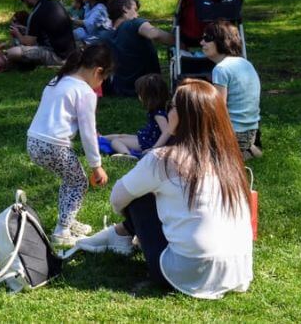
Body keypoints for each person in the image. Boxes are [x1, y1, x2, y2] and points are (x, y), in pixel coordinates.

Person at [75, 79, 253, 299]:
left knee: (138, 195)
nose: (169, 112)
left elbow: (118, 198)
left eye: (172, 106)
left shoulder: (164, 160)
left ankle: (120, 234)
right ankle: (120, 233)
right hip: (237, 271)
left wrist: (139, 213)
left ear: (185, 115)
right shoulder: (229, 160)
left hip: (187, 273)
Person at [26, 44, 115, 246]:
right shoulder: (85, 92)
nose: (100, 84)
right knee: (78, 182)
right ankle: (62, 231)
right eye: (103, 79)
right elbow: (88, 133)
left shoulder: (58, 80)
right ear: (98, 71)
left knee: (70, 179)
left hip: (33, 141)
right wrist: (96, 165)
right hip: (53, 146)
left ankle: (68, 219)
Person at [203, 21, 262, 159]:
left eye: (207, 38)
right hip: (252, 131)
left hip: (233, 134)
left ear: (221, 41)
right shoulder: (245, 63)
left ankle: (234, 155)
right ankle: (247, 151)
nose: (201, 42)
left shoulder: (221, 69)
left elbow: (219, 108)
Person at [102, 0, 174, 96]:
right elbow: (153, 33)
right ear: (125, 8)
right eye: (135, 10)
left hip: (119, 90)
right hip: (147, 88)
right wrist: (178, 41)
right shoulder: (134, 24)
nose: (137, 14)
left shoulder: (105, 36)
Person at [6, 0, 77, 68]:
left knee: (11, 52)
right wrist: (25, 29)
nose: (24, 2)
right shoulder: (55, 3)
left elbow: (28, 43)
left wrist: (17, 33)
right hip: (71, 52)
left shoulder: (36, 13)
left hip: (56, 55)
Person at [104, 73, 176, 157]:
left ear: (148, 97)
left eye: (140, 94)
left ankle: (127, 155)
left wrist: (154, 148)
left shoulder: (158, 114)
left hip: (148, 143)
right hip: (146, 138)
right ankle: (99, 137)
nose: (139, 96)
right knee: (122, 135)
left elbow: (167, 132)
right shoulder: (158, 110)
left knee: (116, 142)